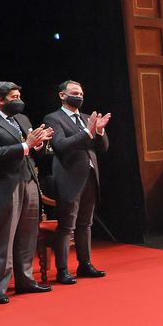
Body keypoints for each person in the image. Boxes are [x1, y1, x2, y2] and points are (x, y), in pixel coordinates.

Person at [0, 81, 54, 302]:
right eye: (14, 97)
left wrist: (38, 144)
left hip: (28, 180)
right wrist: (27, 145)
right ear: (0, 100)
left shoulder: (22, 119)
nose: (18, 101)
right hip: (3, 184)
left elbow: (29, 149)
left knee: (28, 235)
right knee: (4, 238)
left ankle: (26, 280)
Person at [43, 80, 110, 283]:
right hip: (68, 177)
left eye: (81, 93)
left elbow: (102, 148)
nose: (79, 96)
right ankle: (62, 269)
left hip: (90, 176)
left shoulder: (87, 118)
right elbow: (60, 145)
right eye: (74, 93)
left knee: (85, 223)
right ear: (62, 95)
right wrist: (87, 132)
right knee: (66, 225)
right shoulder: (53, 118)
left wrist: (99, 132)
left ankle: (85, 264)